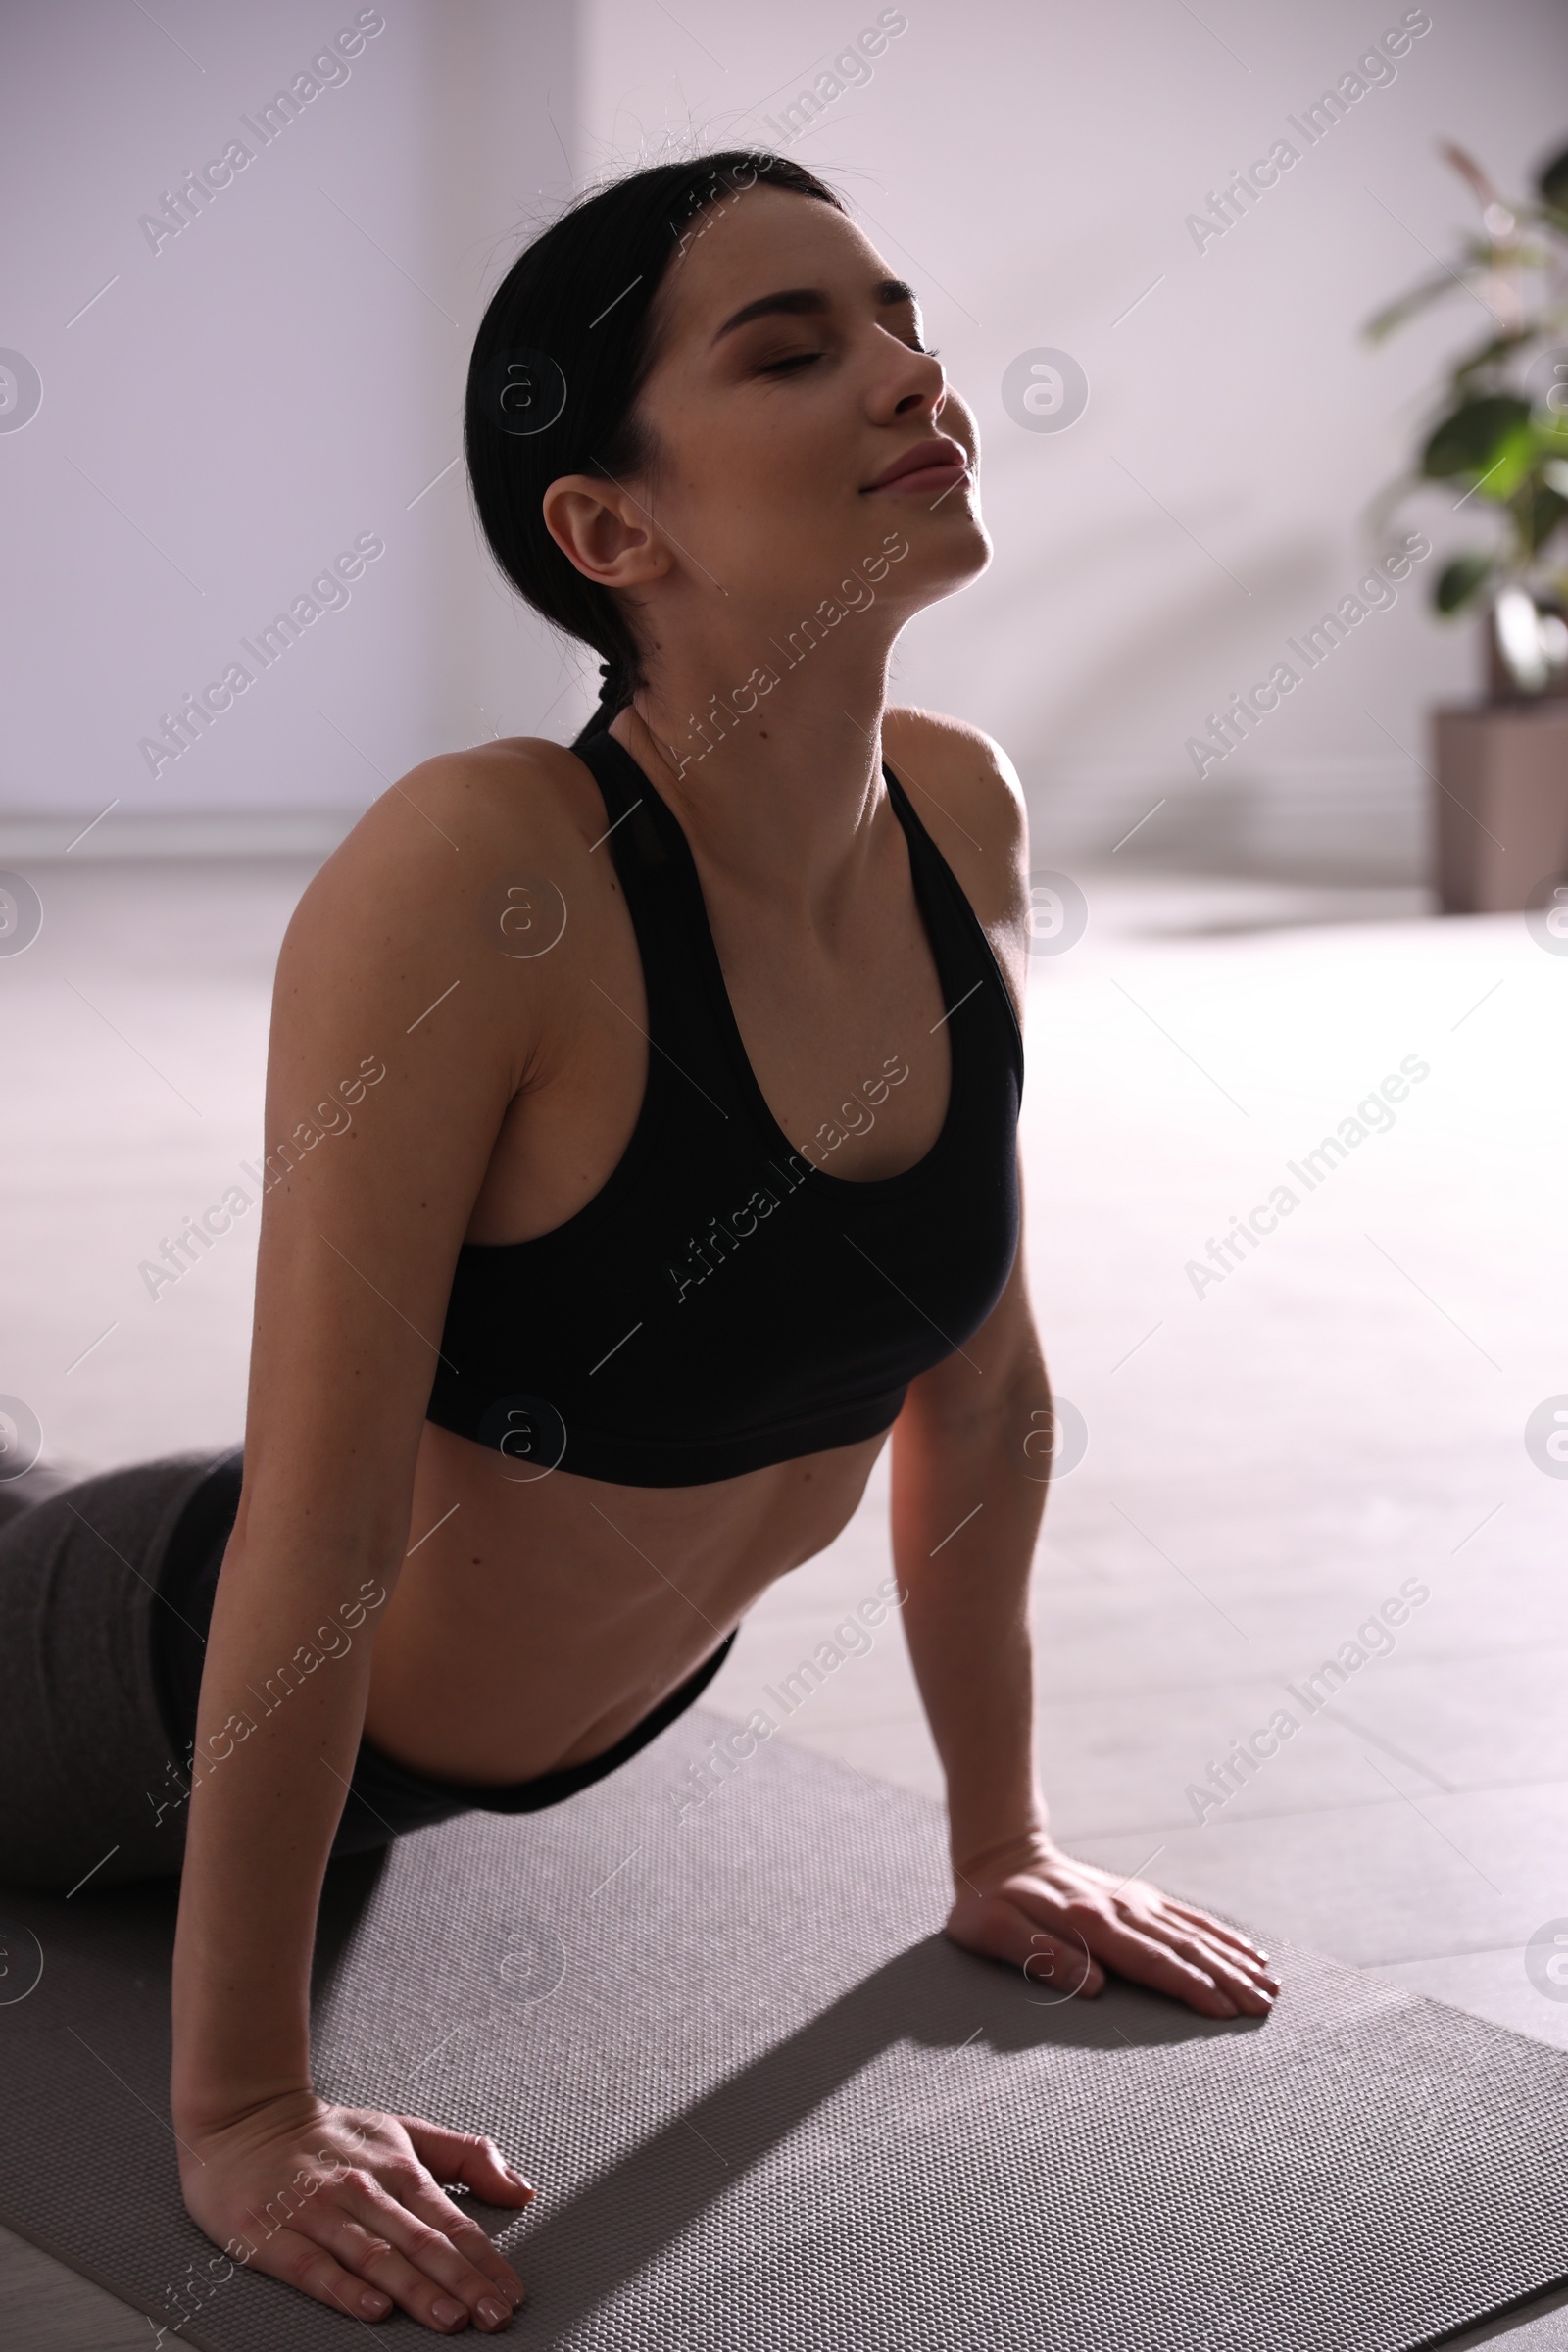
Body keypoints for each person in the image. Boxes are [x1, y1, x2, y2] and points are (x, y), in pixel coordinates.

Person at [0, 150, 1276, 2334]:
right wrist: (237, 2112)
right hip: (114, 1685)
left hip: (440, 1735)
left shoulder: (958, 810)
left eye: (893, 317)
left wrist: (1001, 1845)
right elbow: (312, 1525)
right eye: (793, 349)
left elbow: (981, 1390)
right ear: (609, 529)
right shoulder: (481, 872)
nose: (904, 372)